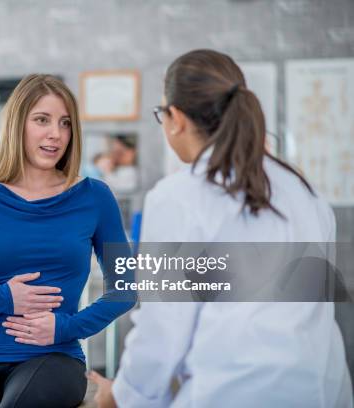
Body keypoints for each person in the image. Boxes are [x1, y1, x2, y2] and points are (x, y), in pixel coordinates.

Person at [88, 49, 353, 407]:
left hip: (229, 393)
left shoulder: (178, 195)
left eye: (160, 113)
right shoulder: (303, 191)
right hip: (319, 391)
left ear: (176, 118)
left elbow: (163, 324)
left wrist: (120, 396)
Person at [0, 74, 135, 407]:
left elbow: (125, 289)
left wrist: (66, 328)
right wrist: (3, 299)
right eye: (42, 120)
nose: (55, 134)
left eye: (65, 123)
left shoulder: (95, 197)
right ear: (18, 125)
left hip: (54, 356)